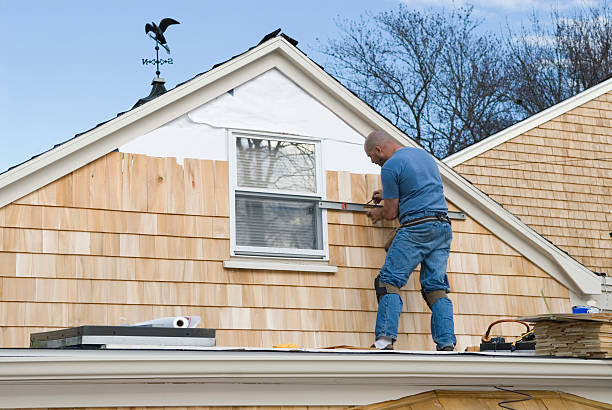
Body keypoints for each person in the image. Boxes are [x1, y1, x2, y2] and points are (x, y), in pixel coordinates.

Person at [364, 130, 456, 351]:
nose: (375, 163)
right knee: (435, 287)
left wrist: (378, 213)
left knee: (388, 282)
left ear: (378, 149)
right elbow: (417, 186)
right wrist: (387, 192)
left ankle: (384, 341)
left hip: (417, 227)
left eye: (372, 158)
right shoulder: (423, 156)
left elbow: (390, 212)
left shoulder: (390, 167)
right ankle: (446, 343)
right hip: (442, 226)